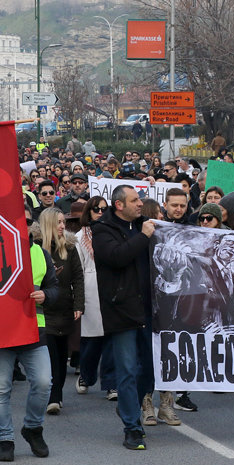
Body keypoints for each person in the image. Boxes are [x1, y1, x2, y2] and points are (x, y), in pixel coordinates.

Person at [0, 209, 58, 462]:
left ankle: (32, 428)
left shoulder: (40, 253)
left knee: (42, 382)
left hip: (33, 329)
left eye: (26, 220)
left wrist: (47, 295)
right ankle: (5, 439)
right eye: (16, 219)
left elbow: (55, 288)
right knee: (0, 388)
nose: (21, 224)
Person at [92, 185, 157, 450]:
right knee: (128, 370)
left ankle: (127, 408)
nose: (140, 204)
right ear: (119, 205)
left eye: (140, 199)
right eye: (134, 200)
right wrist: (143, 237)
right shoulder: (103, 230)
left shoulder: (146, 225)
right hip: (121, 310)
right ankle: (132, 427)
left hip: (148, 309)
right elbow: (117, 257)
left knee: (149, 372)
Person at [37, 208, 85, 416]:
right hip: (43, 311)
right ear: (48, 224)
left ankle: (57, 394)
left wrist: (79, 305)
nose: (62, 226)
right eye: (58, 222)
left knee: (61, 355)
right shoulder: (36, 249)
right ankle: (52, 397)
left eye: (63, 222)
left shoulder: (70, 248)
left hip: (65, 308)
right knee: (50, 357)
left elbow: (78, 278)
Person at [74, 197, 117, 401]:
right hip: (90, 290)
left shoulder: (113, 233)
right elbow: (78, 270)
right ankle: (86, 375)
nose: (100, 212)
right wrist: (78, 298)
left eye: (104, 209)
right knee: (92, 340)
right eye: (96, 209)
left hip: (111, 290)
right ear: (88, 212)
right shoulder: (79, 237)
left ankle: (110, 384)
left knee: (111, 339)